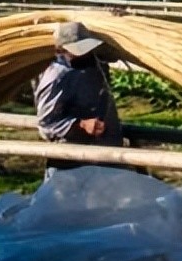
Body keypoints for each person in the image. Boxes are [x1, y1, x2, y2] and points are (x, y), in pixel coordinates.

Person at [35, 21, 123, 175]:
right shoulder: (57, 77)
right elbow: (46, 123)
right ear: (61, 50)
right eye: (77, 50)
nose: (84, 53)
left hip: (106, 148)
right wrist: (81, 124)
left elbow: (114, 54)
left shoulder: (95, 61)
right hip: (72, 157)